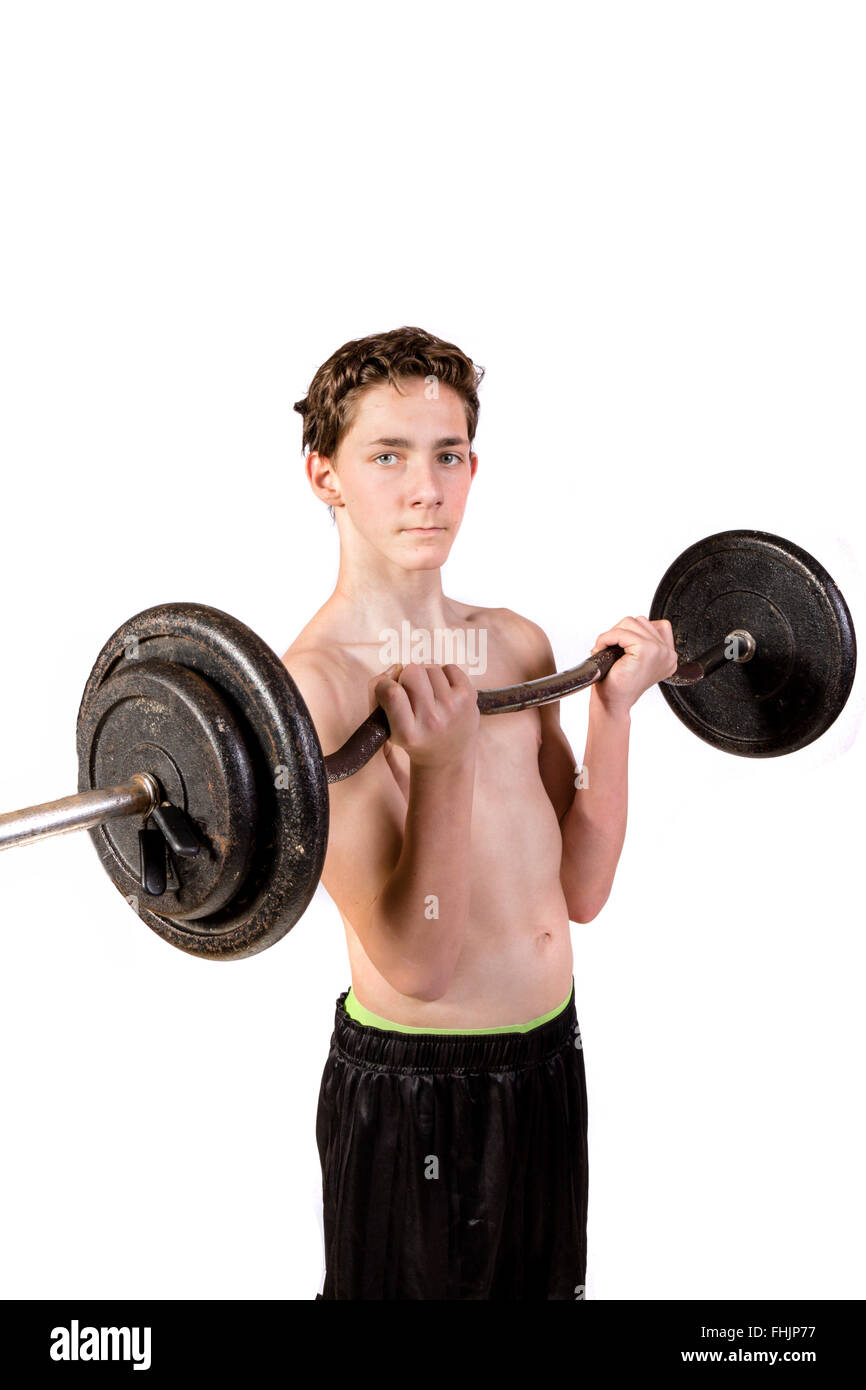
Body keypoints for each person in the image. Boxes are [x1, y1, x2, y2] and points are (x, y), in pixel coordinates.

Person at [284, 326, 677, 1299]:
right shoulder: (316, 692)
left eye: (446, 453)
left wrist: (611, 716)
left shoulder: (510, 644)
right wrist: (443, 767)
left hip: (548, 1060)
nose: (427, 487)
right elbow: (416, 963)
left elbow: (579, 891)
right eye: (387, 455)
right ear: (322, 475)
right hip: (415, 1090)